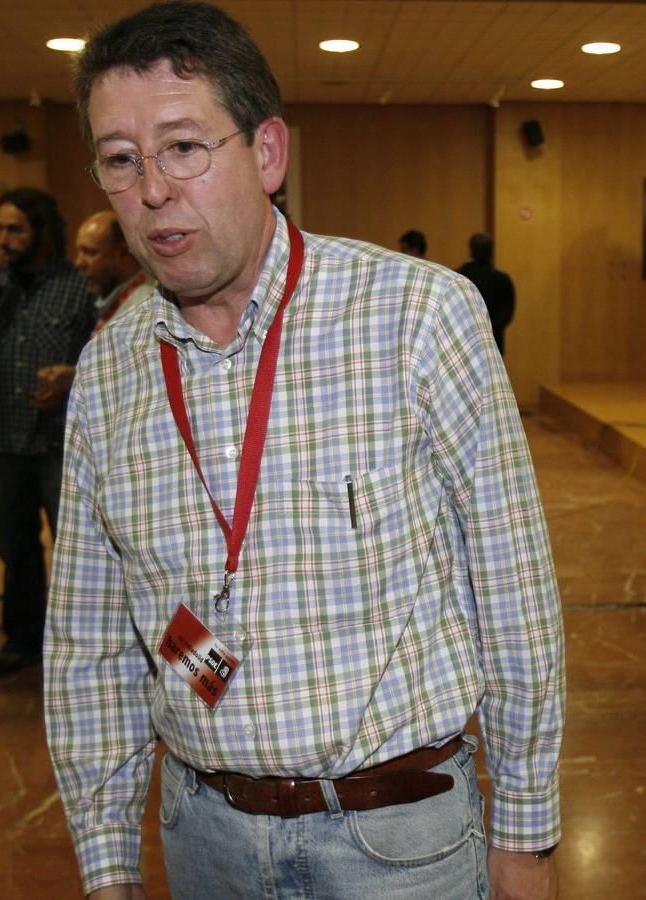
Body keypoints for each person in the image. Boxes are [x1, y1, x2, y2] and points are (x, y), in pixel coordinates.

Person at [44, 5, 564, 900]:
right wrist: (107, 865)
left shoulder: (416, 317)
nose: (153, 190)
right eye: (120, 160)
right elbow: (89, 642)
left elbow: (512, 590)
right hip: (201, 838)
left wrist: (526, 830)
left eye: (183, 147)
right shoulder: (108, 372)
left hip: (399, 843)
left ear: (268, 153)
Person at [0, 187, 94, 676]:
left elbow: (91, 360)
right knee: (14, 547)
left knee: (74, 549)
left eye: (16, 229)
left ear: (41, 233)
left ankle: (79, 645)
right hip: (4, 440)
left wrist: (66, 383)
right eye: (0, 229)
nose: (5, 240)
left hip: (57, 441)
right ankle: (22, 637)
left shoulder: (75, 286)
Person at [36, 211, 158, 403]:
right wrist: (74, 377)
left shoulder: (146, 304)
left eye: (90, 253)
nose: (78, 263)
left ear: (123, 253)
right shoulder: (121, 300)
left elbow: (140, 382)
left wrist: (75, 378)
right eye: (79, 251)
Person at [458, 233, 515, 356]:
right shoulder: (502, 280)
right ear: (491, 253)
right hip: (493, 341)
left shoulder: (458, 277)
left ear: (470, 251)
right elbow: (507, 314)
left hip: (463, 341)